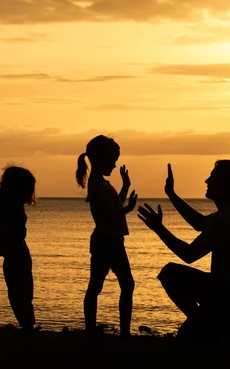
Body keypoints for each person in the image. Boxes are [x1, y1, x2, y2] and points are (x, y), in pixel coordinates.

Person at [137, 161, 230, 341]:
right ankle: (213, 325)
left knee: (169, 273)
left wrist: (158, 228)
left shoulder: (228, 217)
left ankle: (208, 324)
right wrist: (172, 195)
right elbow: (199, 224)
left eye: (212, 177)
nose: (206, 181)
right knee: (187, 335)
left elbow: (189, 255)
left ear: (225, 184)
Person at [76, 135, 138, 337]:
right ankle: (99, 331)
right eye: (112, 160)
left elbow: (114, 206)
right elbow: (104, 216)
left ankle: (109, 331)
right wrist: (127, 209)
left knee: (112, 284)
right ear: (100, 160)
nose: (114, 165)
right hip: (107, 241)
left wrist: (125, 187)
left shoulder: (101, 183)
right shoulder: (96, 184)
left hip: (112, 240)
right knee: (106, 285)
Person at [0, 165, 37, 331]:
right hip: (17, 255)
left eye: (3, 182)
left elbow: (5, 231)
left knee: (18, 294)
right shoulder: (10, 204)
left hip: (16, 256)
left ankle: (27, 327)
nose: (0, 184)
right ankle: (28, 325)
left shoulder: (12, 207)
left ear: (13, 188)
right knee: (21, 293)